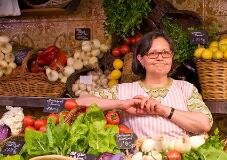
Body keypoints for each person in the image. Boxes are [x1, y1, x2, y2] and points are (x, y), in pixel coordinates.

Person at [76, 31, 213, 140]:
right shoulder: (123, 90)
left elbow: (204, 124)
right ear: (141, 59)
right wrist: (121, 104)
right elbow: (80, 102)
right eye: (153, 53)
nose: (160, 58)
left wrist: (163, 110)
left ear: (172, 57)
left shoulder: (186, 89)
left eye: (165, 53)